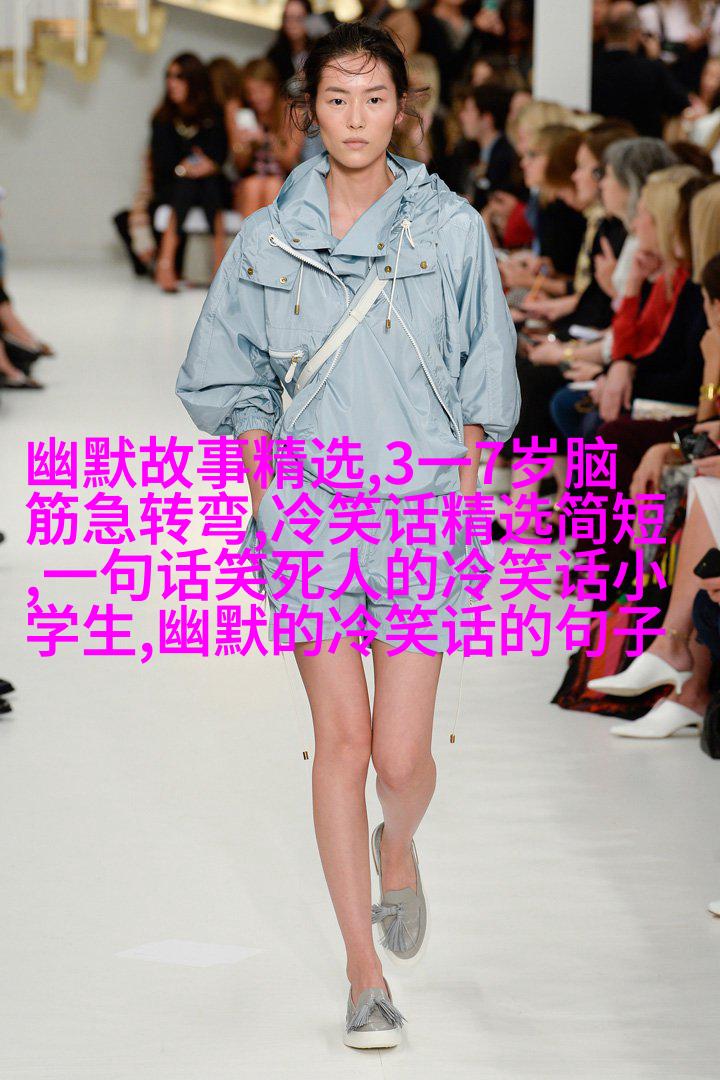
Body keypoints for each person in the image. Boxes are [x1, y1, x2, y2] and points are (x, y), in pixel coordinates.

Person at [176, 21, 520, 1049]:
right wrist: (265, 487)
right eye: (337, 99)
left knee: (403, 759)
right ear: (308, 111)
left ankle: (397, 847)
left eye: (375, 98)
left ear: (403, 108)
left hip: (419, 505)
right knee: (344, 740)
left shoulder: (450, 230)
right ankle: (363, 976)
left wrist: (466, 488)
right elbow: (230, 379)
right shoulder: (265, 240)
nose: (356, 118)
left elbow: (486, 374)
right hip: (311, 509)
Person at [150, 53, 231, 292]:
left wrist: (207, 166)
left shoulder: (213, 113)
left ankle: (167, 261)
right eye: (169, 76)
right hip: (173, 184)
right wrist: (183, 169)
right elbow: (162, 163)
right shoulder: (163, 118)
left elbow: (220, 154)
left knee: (207, 182)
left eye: (179, 77)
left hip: (207, 183)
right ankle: (218, 263)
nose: (171, 83)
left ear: (193, 81)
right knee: (188, 184)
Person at [591, 2, 690, 137]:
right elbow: (680, 103)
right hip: (645, 145)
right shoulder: (652, 70)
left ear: (605, 30)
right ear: (636, 33)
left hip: (601, 144)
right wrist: (657, 60)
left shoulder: (592, 68)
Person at [232, 58, 304, 218]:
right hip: (249, 181)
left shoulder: (292, 112)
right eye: (251, 92)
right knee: (252, 185)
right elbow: (239, 166)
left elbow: (289, 161)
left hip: (282, 180)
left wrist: (265, 139)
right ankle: (249, 235)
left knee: (272, 184)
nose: (256, 97)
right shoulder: (243, 112)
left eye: (262, 90)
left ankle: (269, 236)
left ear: (274, 86)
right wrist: (244, 144)